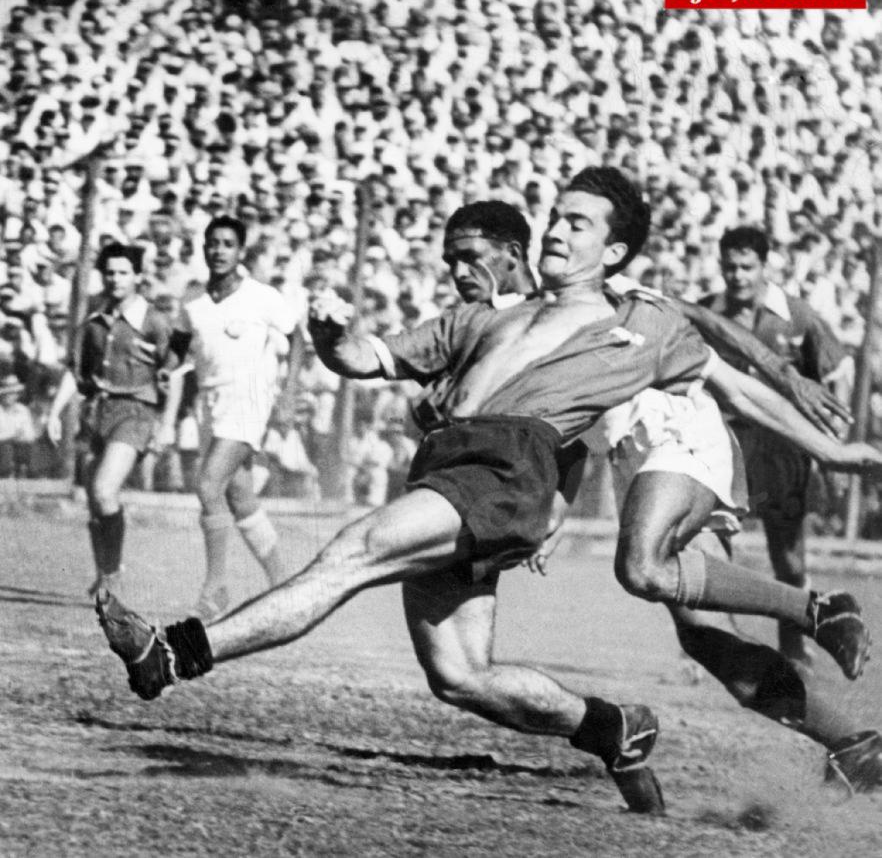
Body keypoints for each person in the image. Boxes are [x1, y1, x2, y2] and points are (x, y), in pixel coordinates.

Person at [96, 169, 879, 815]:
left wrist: (818, 429)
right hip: (471, 470)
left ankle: (176, 652)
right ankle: (614, 728)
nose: (556, 231)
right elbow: (371, 357)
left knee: (357, 551)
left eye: (575, 222)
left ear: (609, 250)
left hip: (569, 463)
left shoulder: (636, 313)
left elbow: (721, 358)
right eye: (555, 218)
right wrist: (335, 339)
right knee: (462, 675)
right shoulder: (483, 321)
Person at [425, 199, 882, 794]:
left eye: (469, 259)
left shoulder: (610, 294)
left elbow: (710, 332)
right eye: (450, 263)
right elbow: (565, 439)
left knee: (641, 566)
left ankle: (819, 609)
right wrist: (553, 513)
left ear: (512, 256)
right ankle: (852, 741)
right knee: (705, 639)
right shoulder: (510, 332)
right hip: (634, 463)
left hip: (678, 436)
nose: (459, 275)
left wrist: (785, 375)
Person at [700, 226, 853, 662]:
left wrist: (831, 443)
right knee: (714, 544)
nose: (737, 276)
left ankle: (793, 644)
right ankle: (716, 644)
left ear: (764, 266)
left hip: (783, 444)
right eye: (729, 266)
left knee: (788, 556)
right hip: (727, 442)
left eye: (747, 266)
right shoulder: (710, 313)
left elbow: (837, 374)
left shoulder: (797, 316)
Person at [157, 216, 298, 620]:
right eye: (212, 243)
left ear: (239, 252)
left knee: (207, 484)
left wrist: (288, 394)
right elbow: (179, 346)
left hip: (250, 401)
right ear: (204, 249)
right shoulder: (195, 304)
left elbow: (296, 335)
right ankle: (284, 583)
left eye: (227, 244)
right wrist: (168, 368)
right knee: (239, 497)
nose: (218, 250)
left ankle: (215, 587)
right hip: (210, 404)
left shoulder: (261, 296)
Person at [46, 242, 171, 594]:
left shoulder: (156, 321)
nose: (116, 279)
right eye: (110, 272)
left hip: (135, 413)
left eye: (123, 272)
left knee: (104, 490)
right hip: (97, 413)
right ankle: (104, 571)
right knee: (93, 500)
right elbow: (76, 371)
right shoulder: (94, 322)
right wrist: (55, 411)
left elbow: (176, 372)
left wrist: (168, 421)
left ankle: (113, 575)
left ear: (138, 277)